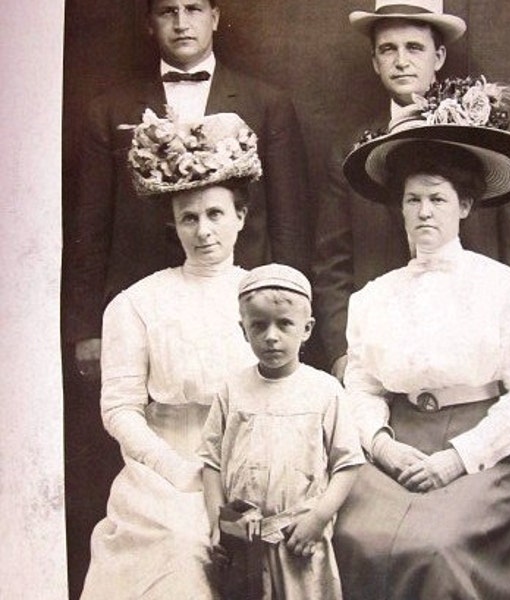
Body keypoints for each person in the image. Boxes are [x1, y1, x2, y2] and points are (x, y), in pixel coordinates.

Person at [332, 80, 510, 599]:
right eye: (412, 199)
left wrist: (458, 458)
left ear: (464, 206)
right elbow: (362, 385)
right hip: (397, 442)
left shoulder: (506, 289)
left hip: (483, 447)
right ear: (399, 207)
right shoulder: (374, 296)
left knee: (437, 545)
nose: (424, 212)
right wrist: (381, 446)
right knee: (350, 534)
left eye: (437, 199)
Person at [64, 0, 310, 378]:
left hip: (239, 301)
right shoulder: (110, 110)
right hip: (144, 303)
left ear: (214, 17)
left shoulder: (267, 104)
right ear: (149, 23)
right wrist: (86, 328)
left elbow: (289, 222)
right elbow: (90, 226)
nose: (181, 23)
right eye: (168, 11)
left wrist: (290, 310)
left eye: (193, 9)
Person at [80, 112, 262, 599]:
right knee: (185, 547)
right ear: (174, 224)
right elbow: (119, 409)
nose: (203, 231)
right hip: (168, 474)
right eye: (189, 217)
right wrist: (180, 471)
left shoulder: (264, 294)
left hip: (254, 460)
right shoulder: (137, 303)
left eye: (216, 214)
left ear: (240, 217)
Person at [312, 0, 510, 381]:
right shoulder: (351, 150)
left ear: (438, 56)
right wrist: (344, 355)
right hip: (383, 352)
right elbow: (332, 265)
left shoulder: (483, 138)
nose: (401, 61)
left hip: (473, 350)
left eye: (414, 48)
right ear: (375, 61)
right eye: (388, 49)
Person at [199, 264, 365, 599]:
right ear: (243, 329)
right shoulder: (233, 390)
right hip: (243, 540)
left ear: (307, 328)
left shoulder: (325, 390)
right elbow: (211, 463)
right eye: (258, 325)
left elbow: (348, 464)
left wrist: (318, 519)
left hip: (299, 537)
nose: (271, 336)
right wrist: (220, 523)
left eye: (284, 324)